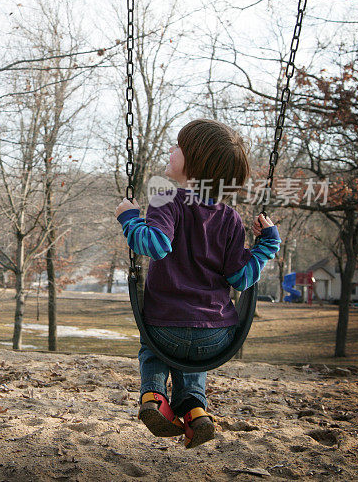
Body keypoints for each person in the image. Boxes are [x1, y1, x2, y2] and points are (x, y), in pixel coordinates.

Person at [114, 119, 281, 448]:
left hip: (165, 326)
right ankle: (195, 411)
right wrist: (267, 247)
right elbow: (242, 277)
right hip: (216, 335)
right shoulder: (230, 218)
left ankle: (155, 398)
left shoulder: (166, 199)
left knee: (156, 349)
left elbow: (155, 245)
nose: (171, 150)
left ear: (194, 163)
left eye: (177, 147)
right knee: (191, 356)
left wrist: (129, 217)